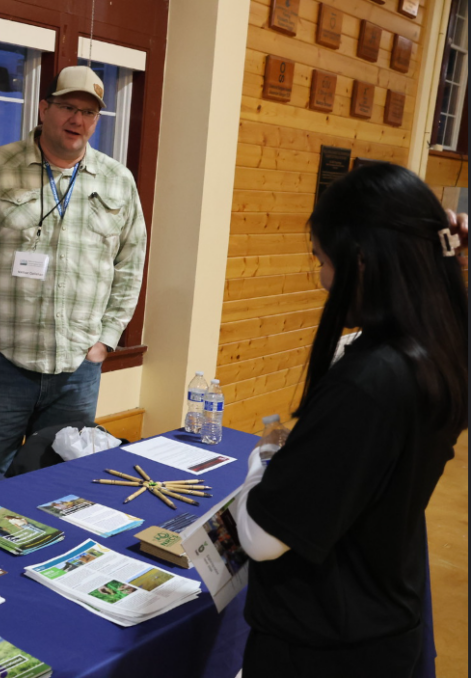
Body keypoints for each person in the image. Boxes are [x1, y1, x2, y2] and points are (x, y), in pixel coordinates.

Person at [233, 164, 468, 678]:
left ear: (361, 263)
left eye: (322, 260)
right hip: (382, 618)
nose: (321, 278)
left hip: (327, 646)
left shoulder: (370, 384)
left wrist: (262, 462)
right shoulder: (441, 348)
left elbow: (262, 538)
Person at [0, 65, 147, 473]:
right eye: (68, 107)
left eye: (89, 113)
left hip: (76, 370)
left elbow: (130, 264)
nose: (78, 120)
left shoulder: (117, 181)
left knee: (61, 480)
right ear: (43, 108)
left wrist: (105, 340)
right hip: (0, 362)